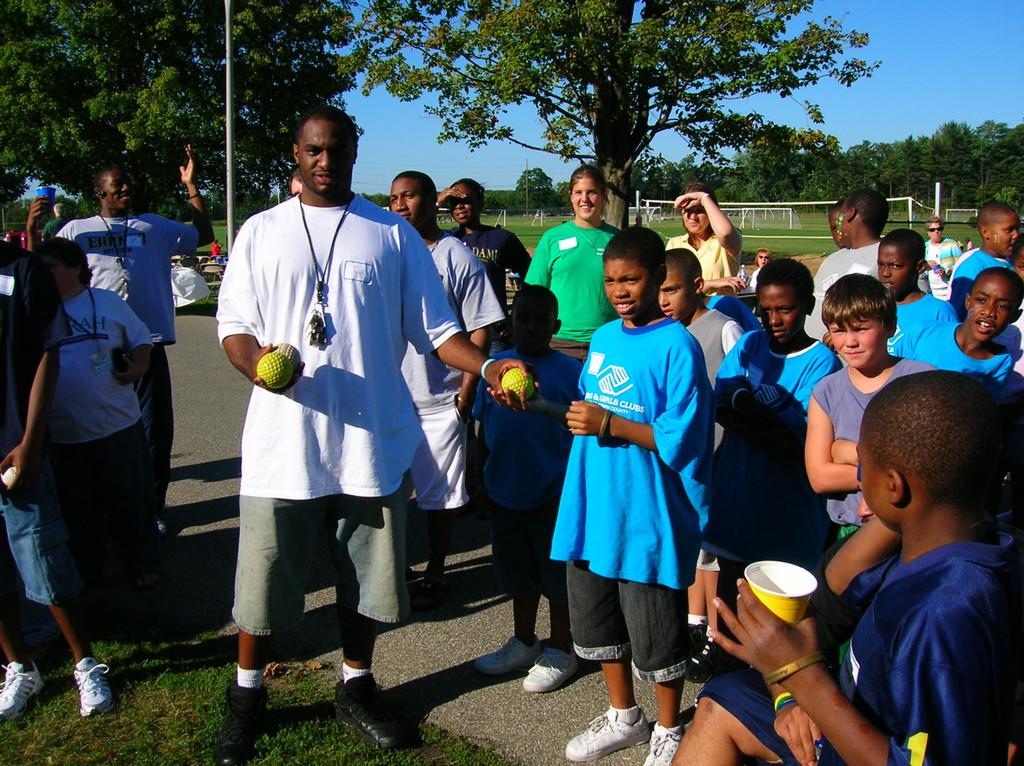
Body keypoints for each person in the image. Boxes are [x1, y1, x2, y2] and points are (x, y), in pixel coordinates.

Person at [213, 105, 529, 765]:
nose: (326, 161)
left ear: (354, 153)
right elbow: (234, 326)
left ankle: (356, 685)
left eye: (338, 150)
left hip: (370, 449)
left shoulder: (391, 234)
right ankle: (246, 696)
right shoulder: (261, 231)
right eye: (314, 150)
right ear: (296, 153)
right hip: (283, 446)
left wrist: (489, 365)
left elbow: (438, 330)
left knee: (365, 584)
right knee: (263, 586)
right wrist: (255, 365)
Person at [673, 370, 1022, 766]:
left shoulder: (945, 615)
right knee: (727, 695)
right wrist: (787, 690)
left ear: (894, 486)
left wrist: (800, 675)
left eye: (862, 468)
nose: (859, 482)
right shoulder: (946, 542)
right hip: (848, 715)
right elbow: (829, 602)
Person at [550, 227, 714, 766]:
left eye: (632, 279)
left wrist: (611, 424)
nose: (619, 290)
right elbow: (588, 411)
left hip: (647, 512)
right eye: (611, 280)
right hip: (594, 505)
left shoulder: (677, 346)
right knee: (598, 619)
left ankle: (669, 726)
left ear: (659, 278)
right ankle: (624, 715)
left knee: (655, 627)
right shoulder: (602, 338)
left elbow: (682, 438)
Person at [58, 146, 215, 531]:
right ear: (100, 192)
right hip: (94, 344)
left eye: (128, 183)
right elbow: (44, 265)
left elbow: (203, 235)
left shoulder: (154, 226)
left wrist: (191, 187)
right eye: (118, 184)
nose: (126, 188)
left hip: (148, 342)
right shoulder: (77, 231)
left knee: (153, 431)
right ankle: (101, 513)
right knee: (96, 429)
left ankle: (151, 510)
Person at [0, 239, 114, 721]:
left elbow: (48, 352)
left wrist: (30, 440)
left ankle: (85, 663)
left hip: (14, 447)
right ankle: (19, 667)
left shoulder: (22, 269)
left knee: (44, 557)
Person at [389, 170, 506, 611]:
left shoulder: (457, 256)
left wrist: (465, 393)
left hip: (439, 398)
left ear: (430, 200)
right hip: (390, 397)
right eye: (394, 198)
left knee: (438, 498)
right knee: (387, 491)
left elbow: (480, 327)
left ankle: (436, 573)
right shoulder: (387, 250)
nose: (401, 205)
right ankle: (395, 567)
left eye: (410, 196)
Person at [472, 285, 582, 693]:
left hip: (553, 494)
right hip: (505, 491)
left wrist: (569, 490)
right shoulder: (495, 369)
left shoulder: (571, 372)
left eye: (541, 320)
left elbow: (581, 434)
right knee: (517, 574)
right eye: (523, 318)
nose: (532, 327)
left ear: (556, 325)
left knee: (556, 578)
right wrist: (479, 478)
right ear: (509, 323)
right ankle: (524, 641)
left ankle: (560, 647)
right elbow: (484, 428)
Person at [34, 238, 160, 590]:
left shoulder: (106, 301)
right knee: (78, 509)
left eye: (50, 266)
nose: (42, 274)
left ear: (75, 268)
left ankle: (142, 562)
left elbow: (141, 339)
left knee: (130, 502)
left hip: (117, 425)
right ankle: (89, 571)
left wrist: (139, 366)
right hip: (63, 434)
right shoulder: (35, 309)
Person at [658, 247, 743, 685]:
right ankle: (693, 623)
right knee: (692, 543)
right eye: (659, 290)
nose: (663, 300)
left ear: (696, 286)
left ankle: (714, 634)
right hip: (680, 458)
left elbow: (743, 387)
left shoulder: (723, 328)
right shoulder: (664, 333)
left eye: (671, 290)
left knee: (712, 548)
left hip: (716, 457)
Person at [806, 274, 934, 537]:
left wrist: (847, 452)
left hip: (915, 525)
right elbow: (819, 477)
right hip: (851, 528)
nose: (850, 342)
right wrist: (879, 473)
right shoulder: (825, 392)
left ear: (889, 326)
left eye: (861, 329)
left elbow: (929, 464)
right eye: (839, 331)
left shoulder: (922, 380)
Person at [524, 165, 619, 362]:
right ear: (571, 196)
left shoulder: (618, 239)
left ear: (603, 195)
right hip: (559, 342)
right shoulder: (552, 238)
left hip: (606, 340)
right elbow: (534, 292)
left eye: (592, 192)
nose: (585, 199)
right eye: (578, 192)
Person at [892, 267, 1022, 401]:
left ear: (1015, 316)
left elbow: (984, 408)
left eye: (1002, 306)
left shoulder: (1000, 362)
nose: (989, 312)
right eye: (981, 300)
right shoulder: (924, 331)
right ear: (968, 301)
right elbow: (891, 375)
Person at [438, 178, 533, 353]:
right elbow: (413, 230)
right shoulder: (445, 239)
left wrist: (516, 315)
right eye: (453, 203)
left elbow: (532, 277)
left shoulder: (501, 238)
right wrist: (437, 203)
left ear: (480, 202)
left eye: (465, 201)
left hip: (494, 336)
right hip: (453, 336)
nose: (459, 207)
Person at [807, 189, 889, 342]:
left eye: (841, 216)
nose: (838, 225)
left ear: (850, 214)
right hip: (814, 354)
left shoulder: (888, 257)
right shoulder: (833, 258)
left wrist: (843, 335)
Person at [876, 228, 957, 354]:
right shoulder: (873, 308)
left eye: (896, 266)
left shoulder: (939, 312)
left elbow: (950, 358)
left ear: (920, 267)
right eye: (881, 265)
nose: (885, 273)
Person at [667, 182, 743, 296]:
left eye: (699, 210)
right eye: (687, 211)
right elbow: (672, 290)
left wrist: (704, 198)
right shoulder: (674, 244)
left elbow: (725, 234)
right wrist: (709, 284)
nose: (693, 217)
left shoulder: (724, 242)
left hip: (721, 307)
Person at [949, 201, 1019, 320]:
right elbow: (957, 314)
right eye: (1009, 230)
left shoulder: (1016, 262)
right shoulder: (972, 266)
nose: (1016, 235)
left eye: (1018, 229)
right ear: (986, 232)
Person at [923, 214, 961, 300]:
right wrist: (926, 264)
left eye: (939, 229)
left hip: (949, 291)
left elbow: (961, 265)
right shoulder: (925, 247)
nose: (936, 231)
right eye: (932, 230)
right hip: (930, 292)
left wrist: (946, 271)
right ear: (928, 232)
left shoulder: (951, 244)